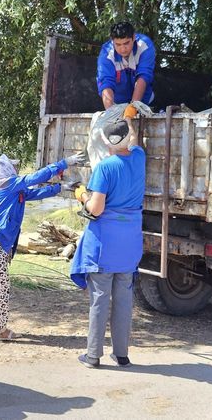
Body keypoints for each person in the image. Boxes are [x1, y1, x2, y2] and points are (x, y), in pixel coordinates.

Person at [0, 152, 85, 340]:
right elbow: (34, 179)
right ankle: (0, 331)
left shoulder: (12, 190)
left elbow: (35, 192)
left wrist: (61, 188)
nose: (16, 170)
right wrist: (64, 163)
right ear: (4, 170)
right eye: (13, 167)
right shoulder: (7, 185)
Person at [70, 117, 145, 368]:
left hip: (105, 244)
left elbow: (96, 208)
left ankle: (93, 356)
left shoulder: (105, 167)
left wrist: (81, 194)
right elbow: (133, 140)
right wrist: (129, 119)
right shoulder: (139, 158)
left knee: (100, 298)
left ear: (105, 142)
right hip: (130, 242)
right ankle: (121, 354)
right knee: (124, 299)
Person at [97, 21, 156, 112]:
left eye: (126, 43)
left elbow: (144, 76)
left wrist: (133, 107)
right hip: (117, 105)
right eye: (118, 44)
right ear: (112, 41)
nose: (123, 49)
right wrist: (111, 113)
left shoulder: (145, 46)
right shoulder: (106, 53)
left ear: (133, 37)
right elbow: (106, 82)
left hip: (145, 103)